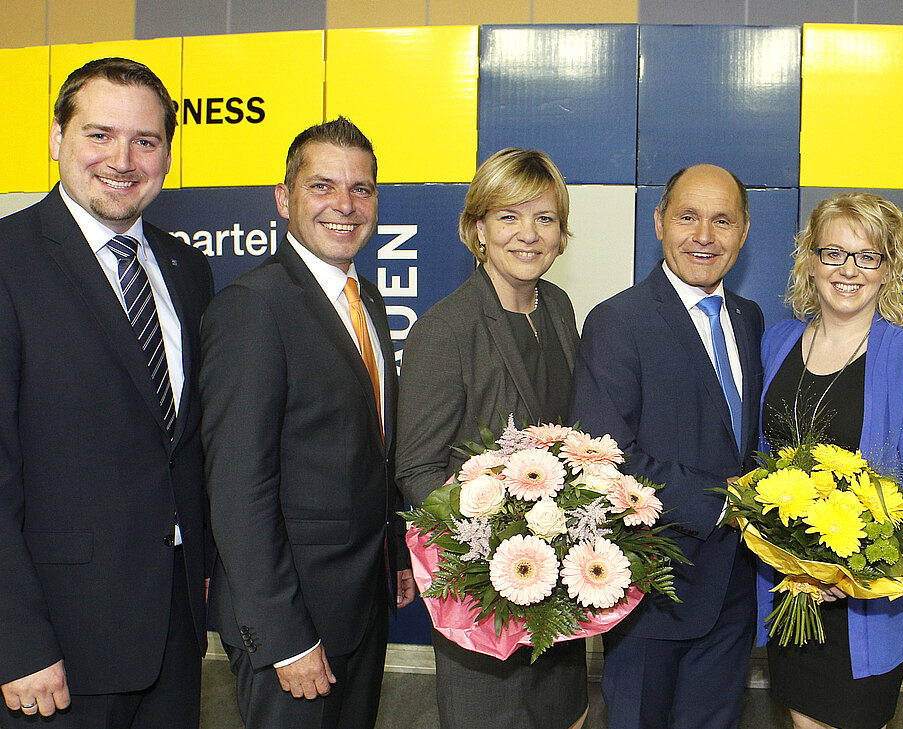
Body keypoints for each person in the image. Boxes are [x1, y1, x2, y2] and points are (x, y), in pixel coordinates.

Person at [0, 57, 213, 727]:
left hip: (174, 636)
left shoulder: (188, 268)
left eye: (145, 141)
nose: (123, 160)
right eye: (100, 135)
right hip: (56, 651)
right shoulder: (7, 261)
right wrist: (16, 641)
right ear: (56, 138)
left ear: (168, 156)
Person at [200, 117, 416, 729]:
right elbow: (238, 488)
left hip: (362, 605)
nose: (345, 205)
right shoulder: (253, 307)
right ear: (283, 198)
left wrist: (394, 551)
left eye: (361, 189)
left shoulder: (368, 300)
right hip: (293, 625)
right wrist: (284, 636)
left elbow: (370, 448)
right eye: (322, 186)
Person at [395, 147, 588, 729]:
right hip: (484, 597)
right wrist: (493, 538)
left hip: (559, 594)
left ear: (560, 234)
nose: (528, 234)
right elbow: (416, 469)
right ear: (478, 228)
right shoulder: (445, 328)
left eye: (544, 218)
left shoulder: (558, 309)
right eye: (509, 216)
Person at [570, 163, 764, 729]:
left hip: (734, 592)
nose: (704, 236)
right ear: (659, 222)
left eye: (722, 220)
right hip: (653, 592)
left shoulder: (749, 319)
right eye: (688, 217)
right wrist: (727, 502)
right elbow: (605, 460)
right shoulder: (618, 321)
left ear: (744, 231)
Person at [757, 193, 903, 729]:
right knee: (801, 718)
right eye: (834, 253)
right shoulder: (776, 341)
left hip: (861, 590)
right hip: (788, 583)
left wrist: (844, 563)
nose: (848, 270)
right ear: (810, 260)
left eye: (868, 256)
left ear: (889, 268)